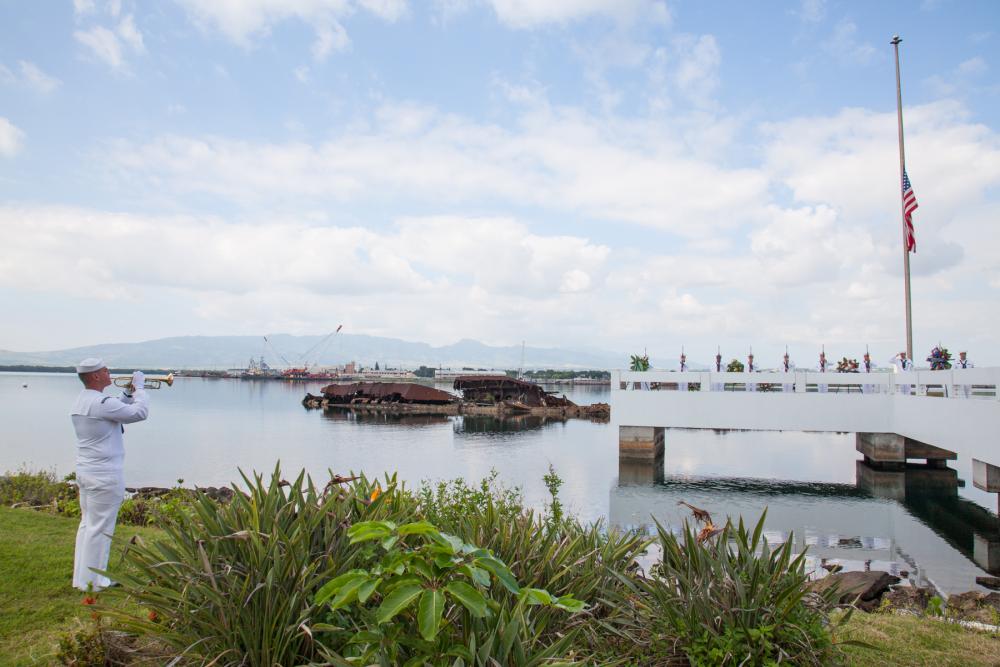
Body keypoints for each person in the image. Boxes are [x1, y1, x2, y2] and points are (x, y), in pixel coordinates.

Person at [70, 358, 149, 591]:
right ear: (95, 376)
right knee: (101, 529)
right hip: (105, 474)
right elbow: (139, 413)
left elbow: (117, 409)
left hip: (87, 471)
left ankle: (82, 579)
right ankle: (96, 581)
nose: (109, 373)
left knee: (88, 525)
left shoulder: (85, 400)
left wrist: (127, 393)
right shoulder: (101, 403)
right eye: (105, 371)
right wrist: (141, 389)